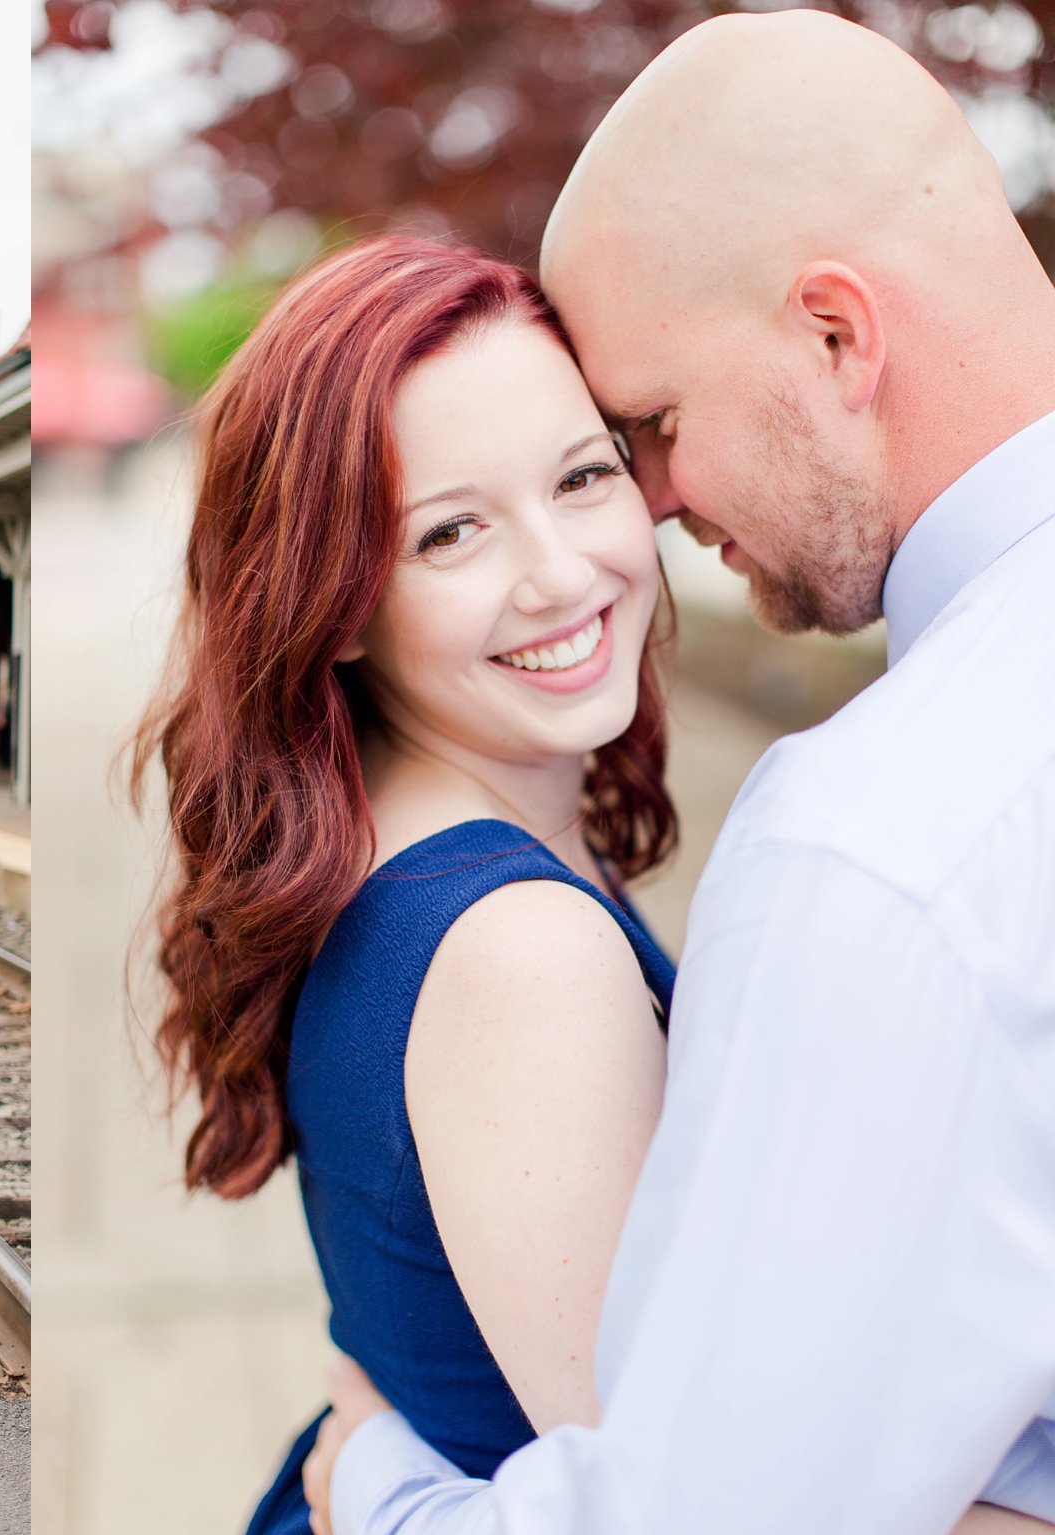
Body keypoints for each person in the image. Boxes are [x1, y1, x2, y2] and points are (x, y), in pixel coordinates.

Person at [305, 13, 1055, 1535]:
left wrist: (367, 1479)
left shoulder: (873, 844)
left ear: (838, 336)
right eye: (450, 527)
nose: (632, 520)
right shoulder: (518, 940)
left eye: (625, 439)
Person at [132, 236, 691, 1535]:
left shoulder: (393, 830)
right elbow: (684, 1495)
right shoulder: (520, 952)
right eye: (451, 530)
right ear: (333, 602)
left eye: (583, 474)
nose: (561, 572)